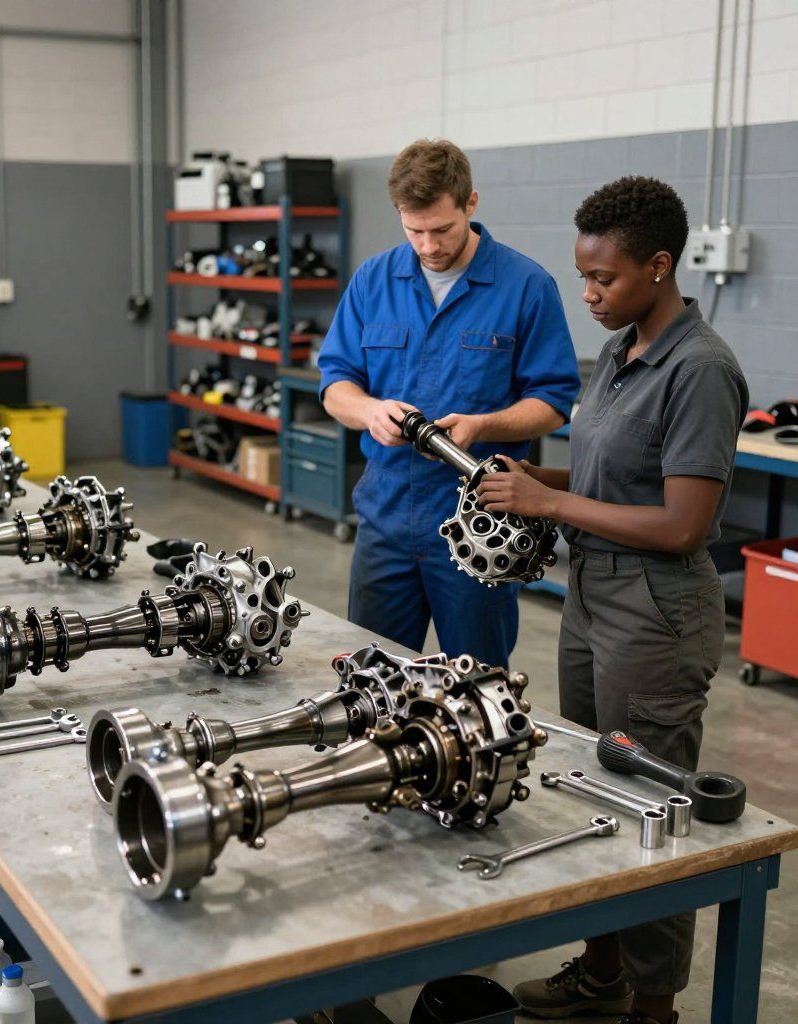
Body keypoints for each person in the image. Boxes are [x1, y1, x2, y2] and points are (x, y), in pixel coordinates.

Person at [479, 177, 749, 1024]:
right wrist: (538, 477)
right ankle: (601, 972)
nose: (588, 295)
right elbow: (607, 477)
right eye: (582, 277)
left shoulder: (700, 371)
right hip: (592, 594)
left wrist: (549, 505)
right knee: (593, 788)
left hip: (658, 611)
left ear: (661, 266)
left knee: (650, 809)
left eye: (605, 279)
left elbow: (681, 523)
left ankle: (653, 1006)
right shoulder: (622, 349)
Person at [318, 139, 579, 666]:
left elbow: (553, 401)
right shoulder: (373, 280)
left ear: (471, 204)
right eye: (414, 230)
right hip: (386, 521)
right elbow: (335, 384)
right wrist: (369, 411)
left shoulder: (526, 286)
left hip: (480, 522)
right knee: (372, 682)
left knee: (479, 690)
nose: (429, 245)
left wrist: (483, 424)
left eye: (442, 229)